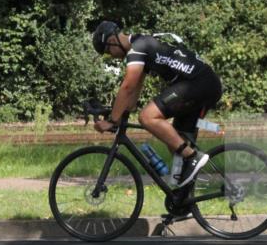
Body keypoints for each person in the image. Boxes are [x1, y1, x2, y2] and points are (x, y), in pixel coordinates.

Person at [91, 21, 223, 187]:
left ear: (112, 39)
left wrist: (112, 120)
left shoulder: (137, 48)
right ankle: (181, 202)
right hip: (202, 84)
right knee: (175, 142)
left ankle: (193, 157)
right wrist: (123, 113)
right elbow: (135, 90)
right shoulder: (142, 43)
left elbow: (127, 86)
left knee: (147, 117)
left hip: (198, 83)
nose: (112, 55)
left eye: (108, 50)